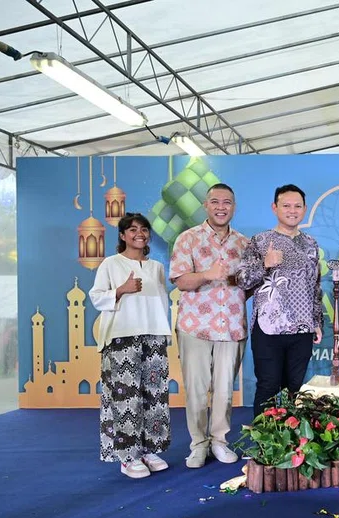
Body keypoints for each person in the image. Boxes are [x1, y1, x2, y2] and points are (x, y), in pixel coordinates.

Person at [170, 183, 249, 468]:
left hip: (231, 326)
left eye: (226, 202)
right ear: (205, 205)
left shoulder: (244, 243)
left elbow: (249, 286)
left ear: (234, 207)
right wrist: (207, 274)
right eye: (215, 201)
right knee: (197, 389)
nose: (220, 207)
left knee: (225, 389)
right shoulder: (187, 239)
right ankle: (198, 444)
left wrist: (238, 282)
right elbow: (180, 280)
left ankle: (219, 441)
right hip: (195, 326)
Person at [90, 213, 172, 479]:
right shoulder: (111, 264)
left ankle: (149, 449)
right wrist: (121, 290)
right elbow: (96, 297)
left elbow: (161, 304)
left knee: (155, 395)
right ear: (123, 235)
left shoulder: (157, 267)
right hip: (122, 337)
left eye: (144, 229)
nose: (140, 233)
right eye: (133, 229)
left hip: (154, 335)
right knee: (126, 398)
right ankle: (127, 456)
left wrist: (165, 333)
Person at [236, 184, 323, 415]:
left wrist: (317, 322)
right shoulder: (260, 241)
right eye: (286, 205)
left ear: (304, 209)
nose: (292, 210)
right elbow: (243, 280)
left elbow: (315, 285)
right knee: (268, 385)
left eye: (297, 206)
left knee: (295, 389)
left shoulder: (311, 244)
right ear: (275, 208)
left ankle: (292, 447)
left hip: (303, 327)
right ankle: (265, 447)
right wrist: (266, 263)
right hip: (269, 327)